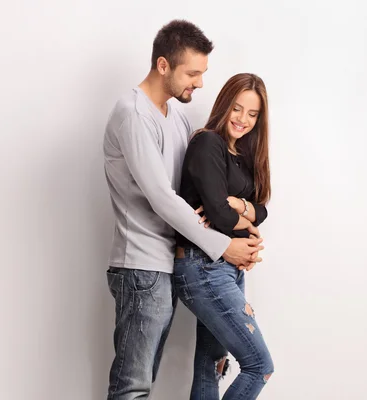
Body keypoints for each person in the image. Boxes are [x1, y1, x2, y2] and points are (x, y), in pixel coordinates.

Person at [102, 21, 264, 400]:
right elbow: (162, 198)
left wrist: (227, 213)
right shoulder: (133, 113)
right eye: (193, 73)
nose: (200, 83)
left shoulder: (176, 117)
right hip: (140, 263)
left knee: (151, 381)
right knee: (133, 388)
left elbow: (189, 193)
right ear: (163, 66)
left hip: (170, 261)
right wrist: (222, 244)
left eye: (202, 73)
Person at [174, 73, 274, 400]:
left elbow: (262, 209)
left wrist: (239, 207)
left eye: (253, 114)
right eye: (237, 108)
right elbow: (217, 214)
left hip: (226, 270)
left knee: (210, 364)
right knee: (259, 365)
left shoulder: (243, 157)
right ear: (224, 104)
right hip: (203, 266)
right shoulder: (208, 143)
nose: (243, 119)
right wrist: (239, 216)